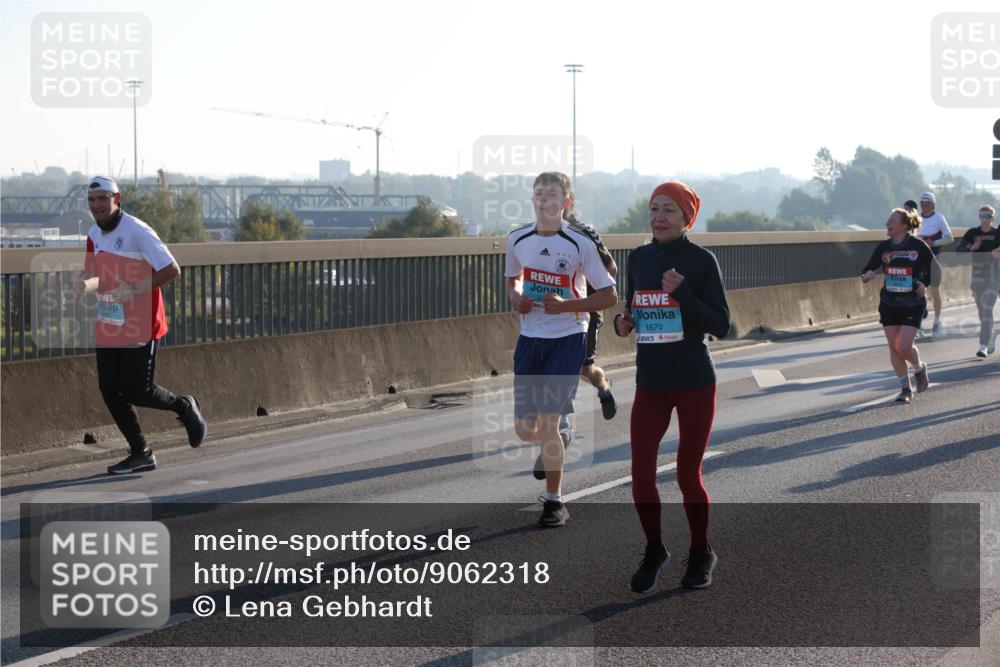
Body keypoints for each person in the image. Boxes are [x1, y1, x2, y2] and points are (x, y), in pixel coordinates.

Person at [613, 180, 730, 592]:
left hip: (694, 380)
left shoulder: (701, 261)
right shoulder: (639, 257)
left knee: (686, 474)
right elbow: (632, 309)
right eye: (654, 208)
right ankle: (654, 548)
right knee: (641, 475)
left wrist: (682, 296)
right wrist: (622, 324)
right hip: (652, 382)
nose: (659, 217)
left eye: (669, 210)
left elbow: (722, 325)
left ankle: (701, 551)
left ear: (686, 218)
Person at [71, 176, 207, 474]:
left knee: (136, 390)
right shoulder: (94, 233)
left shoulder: (137, 231)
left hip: (141, 321)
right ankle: (140, 452)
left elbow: (172, 269)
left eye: (102, 199)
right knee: (109, 388)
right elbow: (96, 276)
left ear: (116, 199)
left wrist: (132, 289)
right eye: (92, 201)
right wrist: (84, 284)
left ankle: (184, 407)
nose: (96, 206)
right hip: (110, 321)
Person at [505, 172, 617, 527]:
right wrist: (516, 298)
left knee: (549, 422)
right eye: (538, 194)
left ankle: (554, 501)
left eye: (551, 194)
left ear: (565, 203)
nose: (543, 200)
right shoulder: (517, 237)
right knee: (525, 429)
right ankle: (560, 438)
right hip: (530, 338)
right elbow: (512, 278)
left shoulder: (579, 242)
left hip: (568, 338)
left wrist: (567, 306)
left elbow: (609, 294)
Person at [861, 207, 941, 403]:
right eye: (887, 221)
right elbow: (866, 270)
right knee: (894, 348)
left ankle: (919, 367)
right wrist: (867, 275)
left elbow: (936, 270)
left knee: (904, 346)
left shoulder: (918, 246)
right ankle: (905, 388)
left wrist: (924, 283)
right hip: (889, 302)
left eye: (891, 222)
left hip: (912, 302)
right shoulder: (883, 247)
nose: (887, 224)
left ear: (904, 226)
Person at [565, 211, 619, 421]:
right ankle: (559, 422)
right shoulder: (537, 234)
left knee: (583, 368)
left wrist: (582, 282)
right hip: (553, 313)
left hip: (586, 309)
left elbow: (611, 269)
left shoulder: (583, 232)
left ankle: (604, 388)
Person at [955, 205, 1000, 357]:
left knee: (987, 308)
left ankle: (983, 346)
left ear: (993, 218)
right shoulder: (973, 233)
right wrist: (972, 247)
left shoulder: (997, 233)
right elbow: (959, 251)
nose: (985, 219)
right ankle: (990, 333)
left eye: (988, 216)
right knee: (982, 311)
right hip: (978, 276)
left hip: (995, 276)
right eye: (982, 216)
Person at [916, 192, 952, 338]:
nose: (924, 205)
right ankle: (918, 323)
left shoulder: (939, 218)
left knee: (935, 291)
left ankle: (937, 321)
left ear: (933, 204)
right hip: (918, 258)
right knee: (916, 290)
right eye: (922, 202)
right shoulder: (915, 218)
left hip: (934, 258)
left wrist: (934, 243)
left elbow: (949, 237)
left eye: (927, 203)